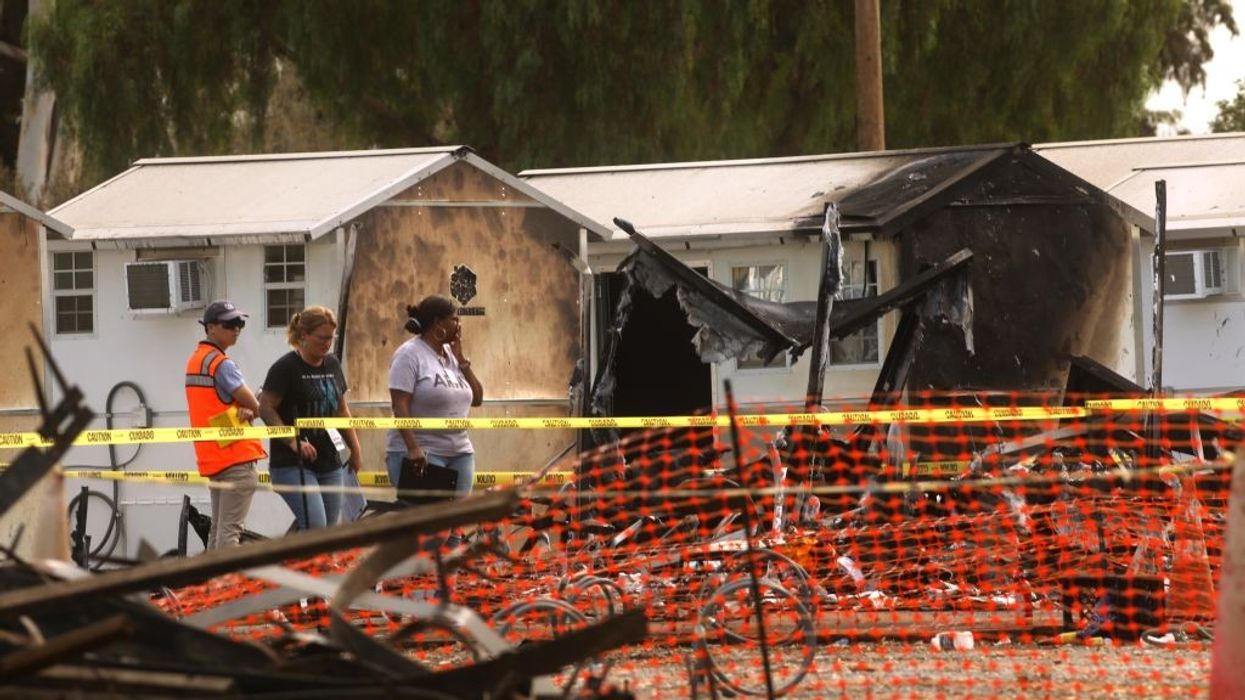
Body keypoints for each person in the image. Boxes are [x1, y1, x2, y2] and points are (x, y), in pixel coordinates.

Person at [259, 306, 362, 529]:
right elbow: (265, 408)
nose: (327, 344)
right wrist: (293, 441)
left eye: (331, 339)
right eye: (322, 338)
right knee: (316, 525)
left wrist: (355, 448)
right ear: (304, 335)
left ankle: (304, 562)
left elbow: (341, 410)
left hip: (329, 460)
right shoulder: (285, 368)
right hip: (292, 463)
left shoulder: (333, 364)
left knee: (326, 532)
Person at [184, 300, 266, 549]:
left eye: (239, 323)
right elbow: (258, 406)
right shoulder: (222, 364)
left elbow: (217, 406)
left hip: (214, 459)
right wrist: (252, 407)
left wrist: (245, 408)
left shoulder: (196, 360)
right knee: (229, 535)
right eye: (230, 323)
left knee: (217, 533)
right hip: (236, 458)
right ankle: (228, 586)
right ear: (210, 328)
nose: (237, 328)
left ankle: (212, 587)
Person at [386, 295, 484, 498]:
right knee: (431, 524)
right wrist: (413, 448)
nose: (459, 325)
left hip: (460, 451)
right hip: (423, 452)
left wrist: (462, 360)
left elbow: (477, 399)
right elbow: (400, 405)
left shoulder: (451, 354)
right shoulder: (409, 355)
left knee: (456, 521)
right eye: (454, 319)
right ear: (438, 322)